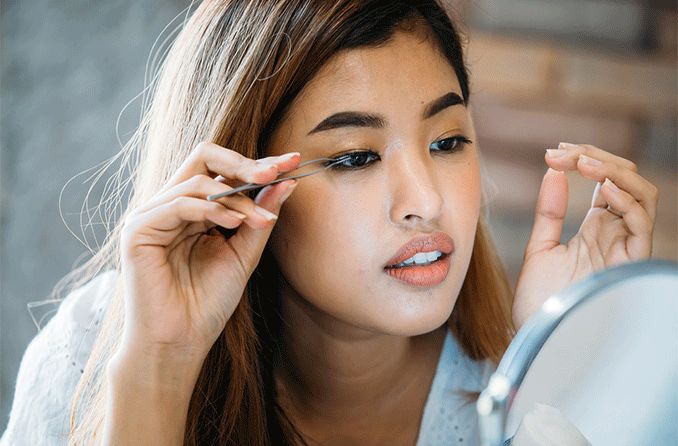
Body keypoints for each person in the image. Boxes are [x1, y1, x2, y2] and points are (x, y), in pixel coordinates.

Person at [1, 1, 659, 445]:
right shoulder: (91, 354)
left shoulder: (528, 394)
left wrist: (552, 362)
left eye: (448, 141)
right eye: (353, 157)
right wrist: (158, 367)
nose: (425, 200)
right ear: (240, 180)